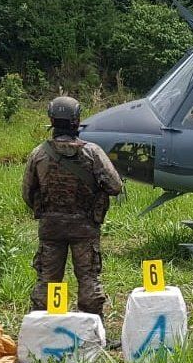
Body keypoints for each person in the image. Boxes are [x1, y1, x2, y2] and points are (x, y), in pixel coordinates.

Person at [22, 96, 123, 319]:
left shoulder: (38, 154)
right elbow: (115, 186)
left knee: (46, 281)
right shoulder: (93, 152)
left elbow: (27, 193)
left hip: (51, 228)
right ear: (77, 121)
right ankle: (94, 330)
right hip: (85, 228)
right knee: (88, 280)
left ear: (51, 120)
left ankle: (40, 328)